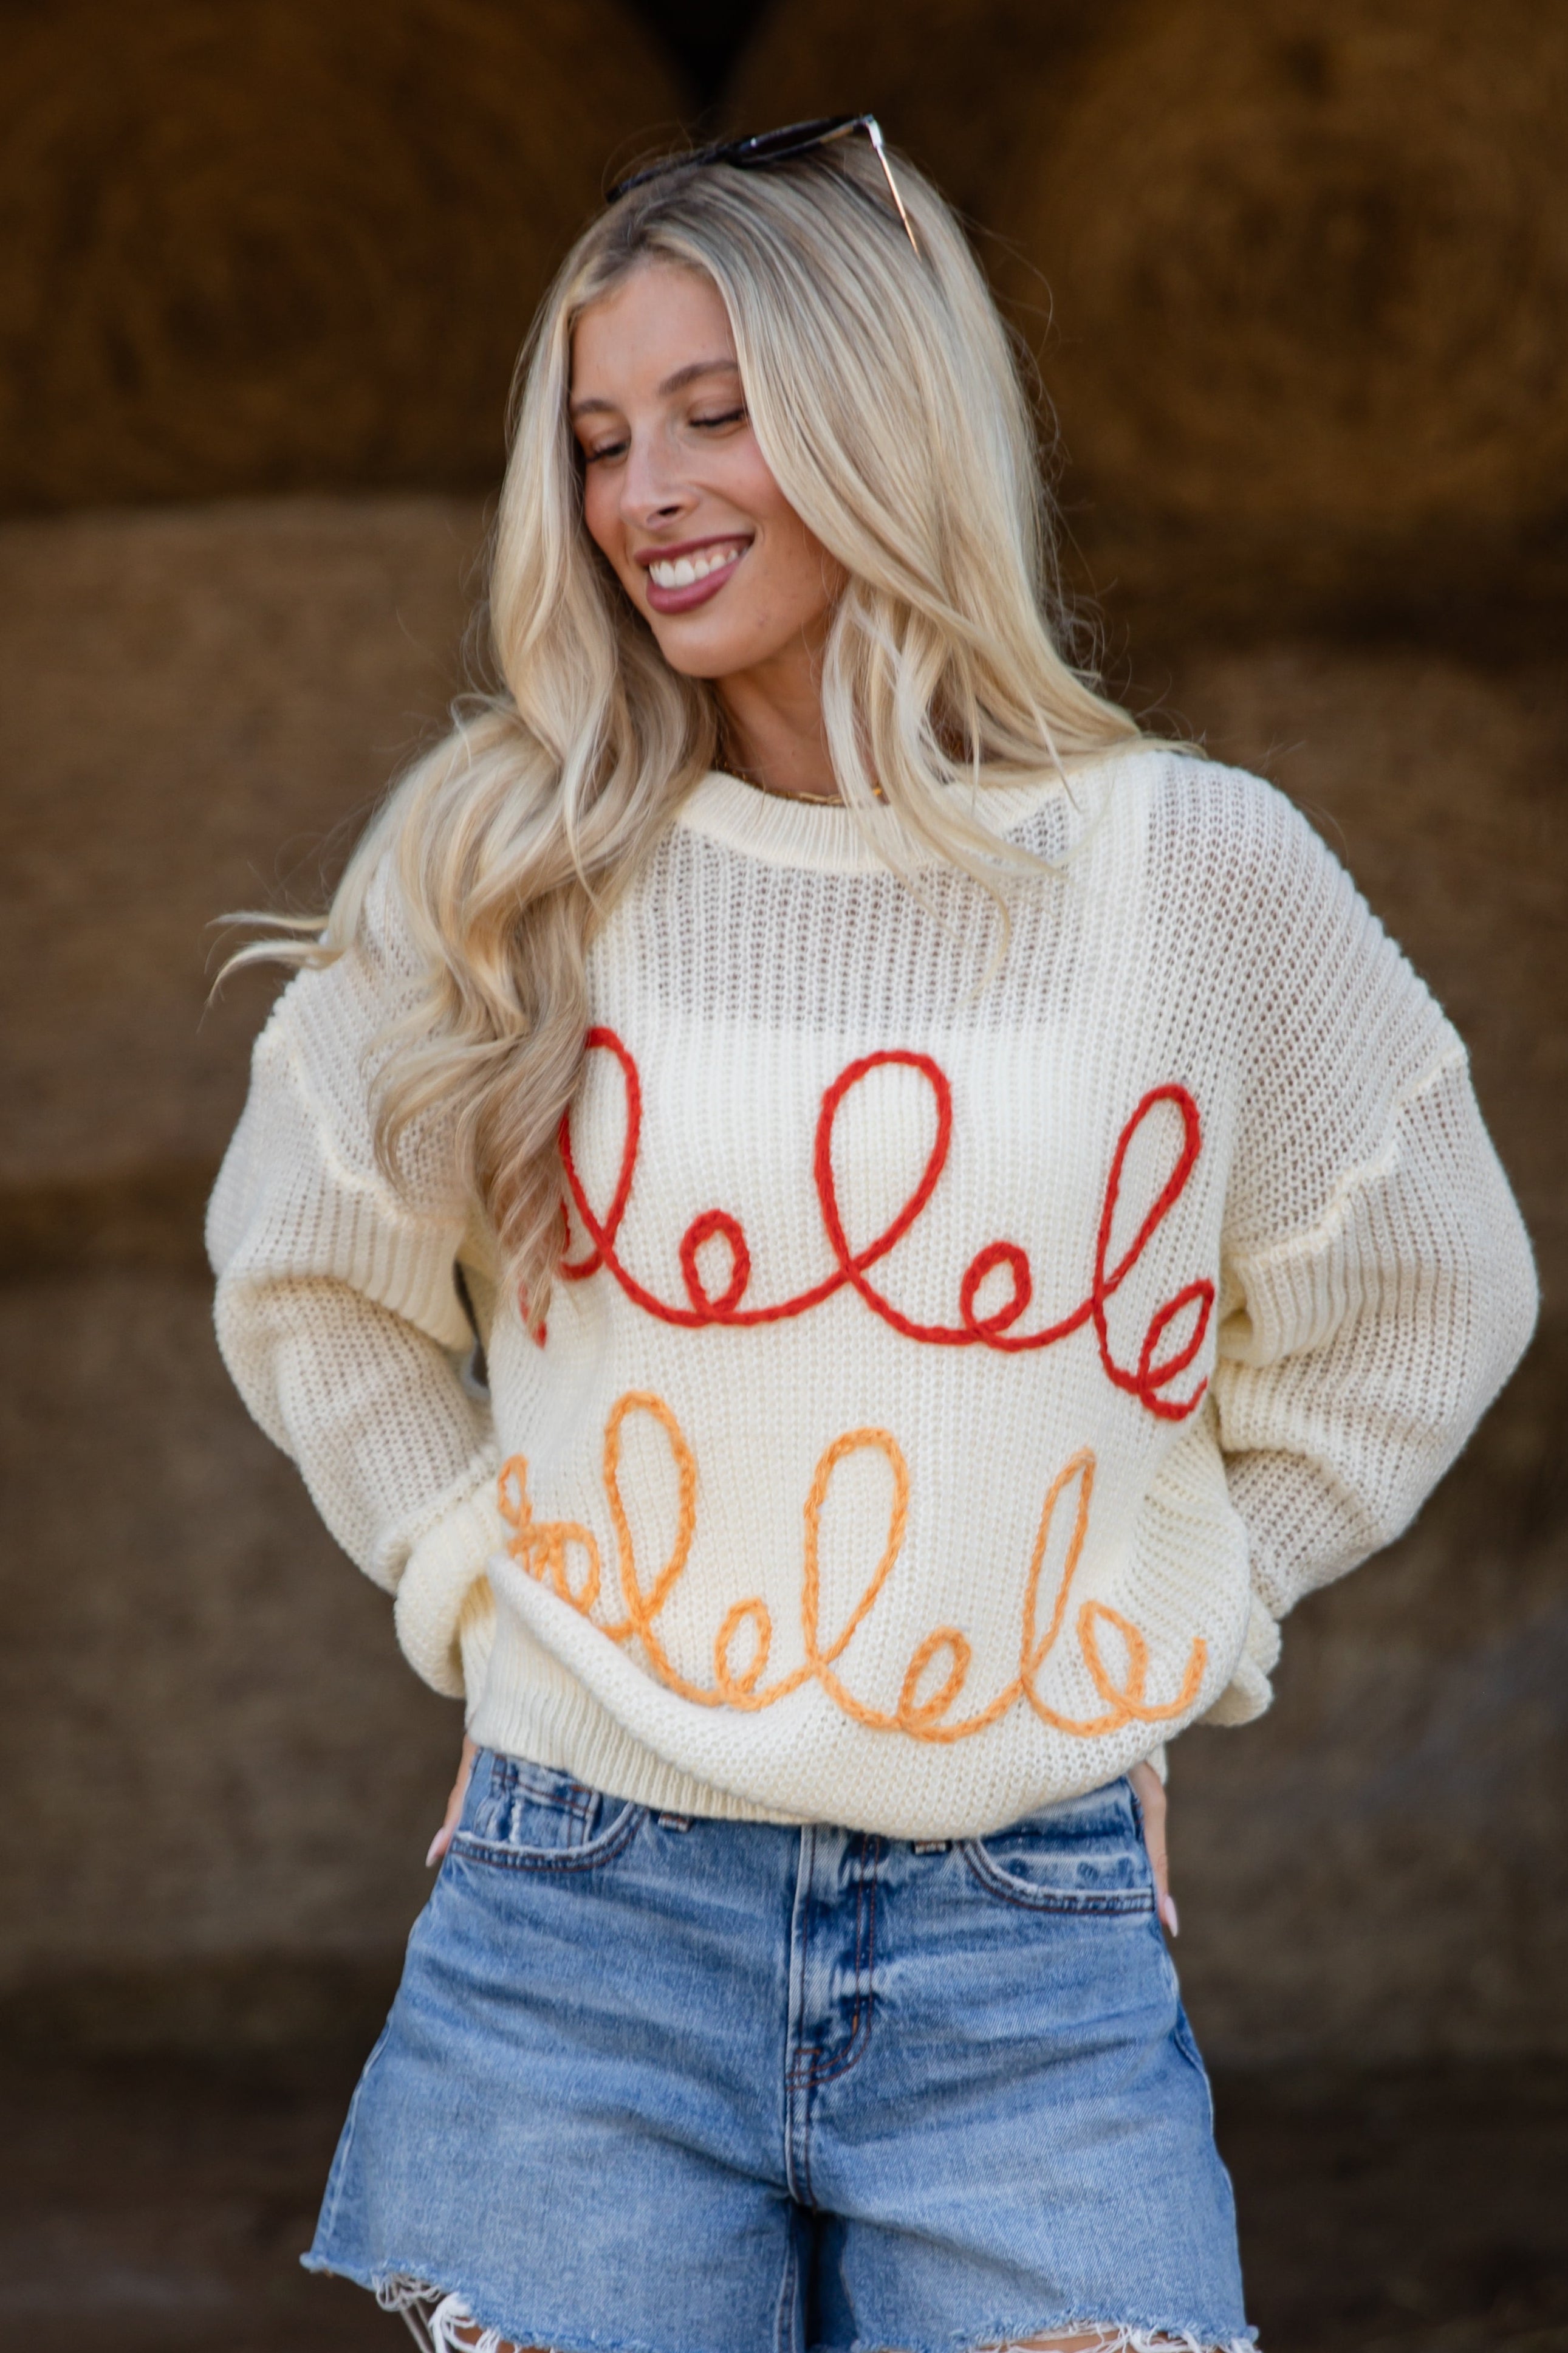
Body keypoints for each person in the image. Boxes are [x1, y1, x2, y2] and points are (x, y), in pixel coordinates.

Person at [208, 118, 1537, 2353]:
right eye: (605, 437)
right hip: (584, 1924)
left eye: (718, 414)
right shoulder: (506, 864)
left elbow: (1428, 1300)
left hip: (1031, 1944)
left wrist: (1175, 1618)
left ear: (884, 413)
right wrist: (474, 1573)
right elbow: (307, 1275)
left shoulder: (1193, 871)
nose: (647, 492)